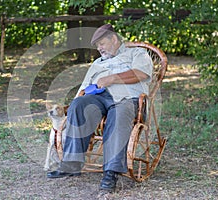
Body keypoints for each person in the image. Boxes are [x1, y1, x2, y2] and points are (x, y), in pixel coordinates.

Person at [47, 24, 153, 192]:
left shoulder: (136, 53)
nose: (99, 48)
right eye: (97, 46)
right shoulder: (97, 63)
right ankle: (71, 165)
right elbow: (83, 88)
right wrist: (72, 108)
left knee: (118, 114)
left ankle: (111, 172)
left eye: (102, 43)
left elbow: (141, 74)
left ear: (114, 39)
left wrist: (111, 79)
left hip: (127, 99)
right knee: (79, 105)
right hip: (98, 99)